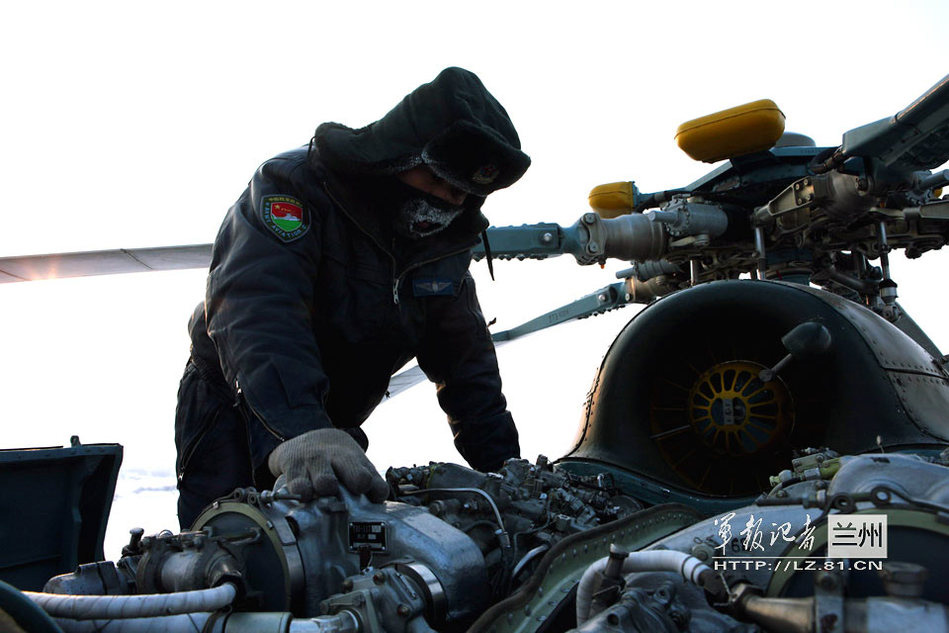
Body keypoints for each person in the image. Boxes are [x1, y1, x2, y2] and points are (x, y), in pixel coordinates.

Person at [174, 67, 531, 529]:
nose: (445, 202)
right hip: (235, 407)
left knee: (334, 557)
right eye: (438, 181)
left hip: (332, 420)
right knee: (229, 549)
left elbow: (465, 359)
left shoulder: (445, 238)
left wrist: (506, 471)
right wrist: (302, 430)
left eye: (463, 193)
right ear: (399, 157)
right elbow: (258, 309)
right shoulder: (293, 188)